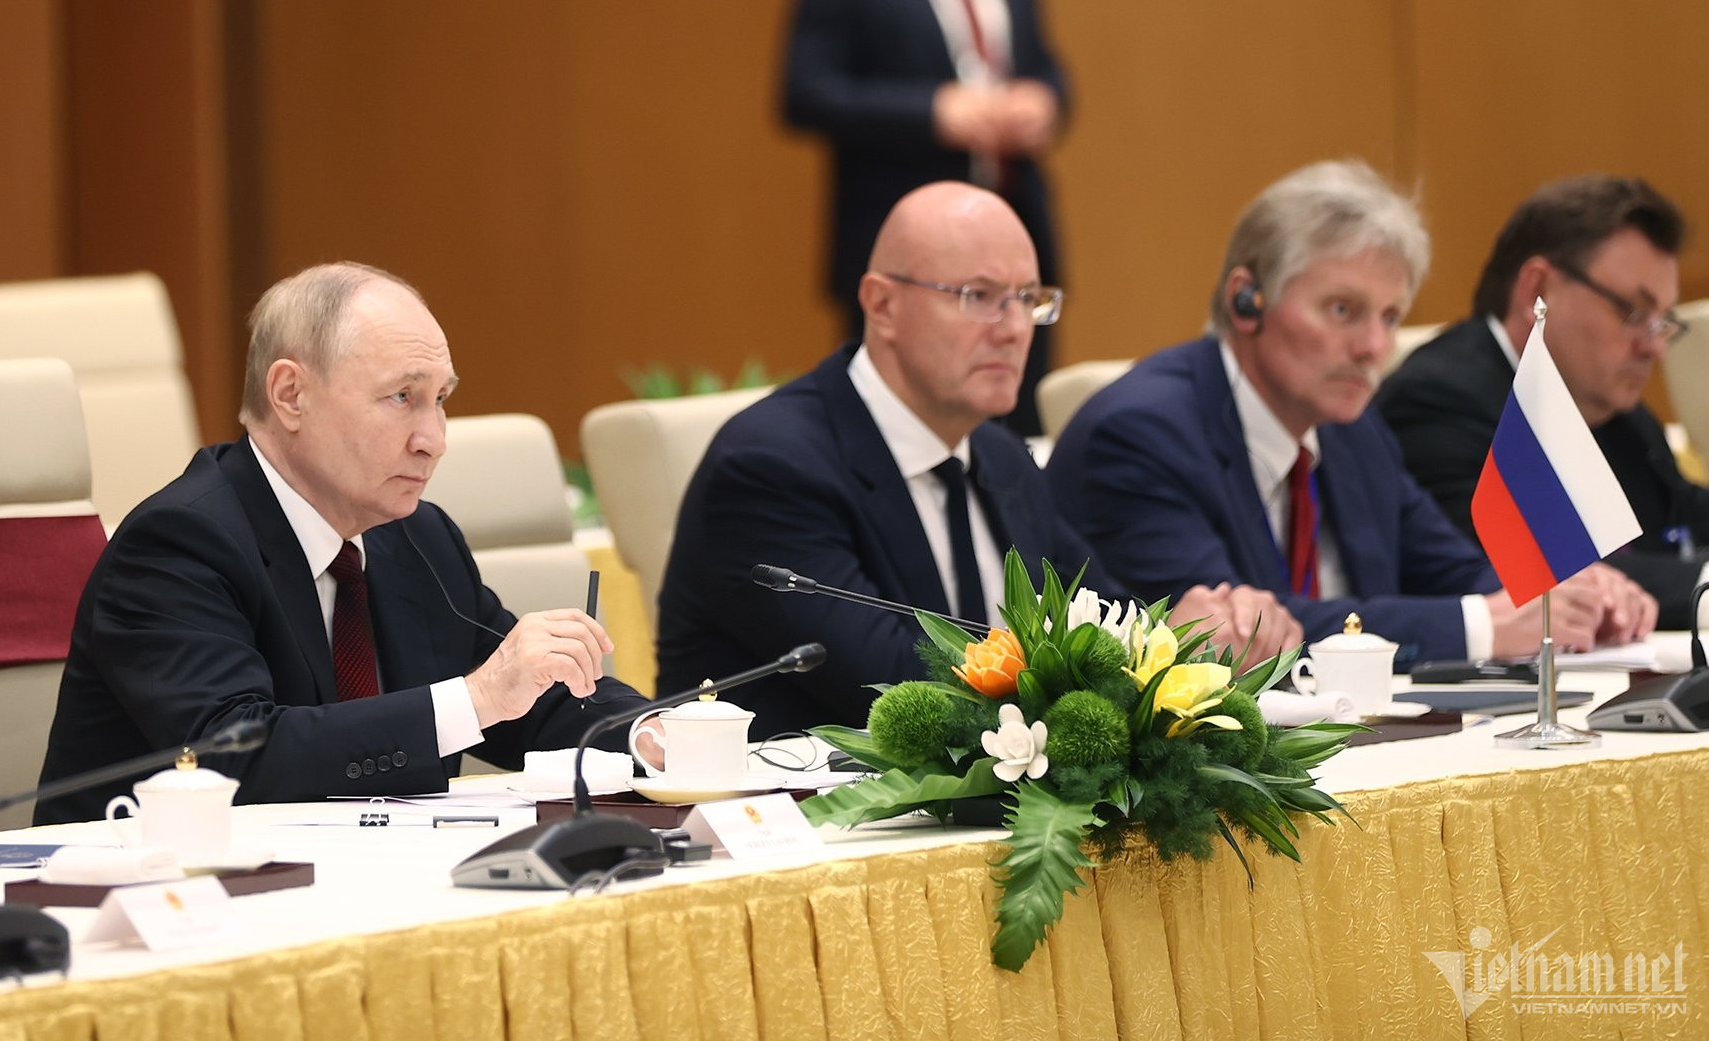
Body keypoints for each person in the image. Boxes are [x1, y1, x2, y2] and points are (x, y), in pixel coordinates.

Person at [656, 182, 1296, 738]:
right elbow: (898, 688)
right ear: (881, 305)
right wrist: (1135, 660)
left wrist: (1181, 637)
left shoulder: (997, 454)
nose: (1015, 329)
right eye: (979, 295)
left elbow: (1097, 614)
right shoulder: (772, 467)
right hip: (794, 820)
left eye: (1028, 298)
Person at [37, 263, 648, 822]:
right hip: (152, 889)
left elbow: (531, 700)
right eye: (403, 397)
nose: (434, 439)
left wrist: (656, 735)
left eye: (440, 400)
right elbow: (232, 757)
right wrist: (480, 696)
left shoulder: (419, 538)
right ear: (290, 395)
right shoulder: (179, 543)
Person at [1048, 160, 1657, 668]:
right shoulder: (1140, 436)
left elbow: (1456, 571)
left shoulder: (1351, 431)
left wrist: (1567, 593)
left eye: (1390, 317)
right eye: (1343, 310)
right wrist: (1479, 626)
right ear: (1246, 301)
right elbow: (1239, 636)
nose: (1374, 348)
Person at [781, 0, 1070, 434]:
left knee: (1018, 432)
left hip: (1016, 233)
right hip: (903, 246)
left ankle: (1014, 515)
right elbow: (806, 93)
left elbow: (1047, 67)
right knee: (899, 431)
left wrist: (1045, 100)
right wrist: (933, 113)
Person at [1378, 175, 1707, 628]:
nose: (1655, 347)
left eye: (1662, 321)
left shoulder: (1614, 412)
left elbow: (1687, 517)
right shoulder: (1437, 400)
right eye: (1633, 312)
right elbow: (1530, 569)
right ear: (1538, 290)